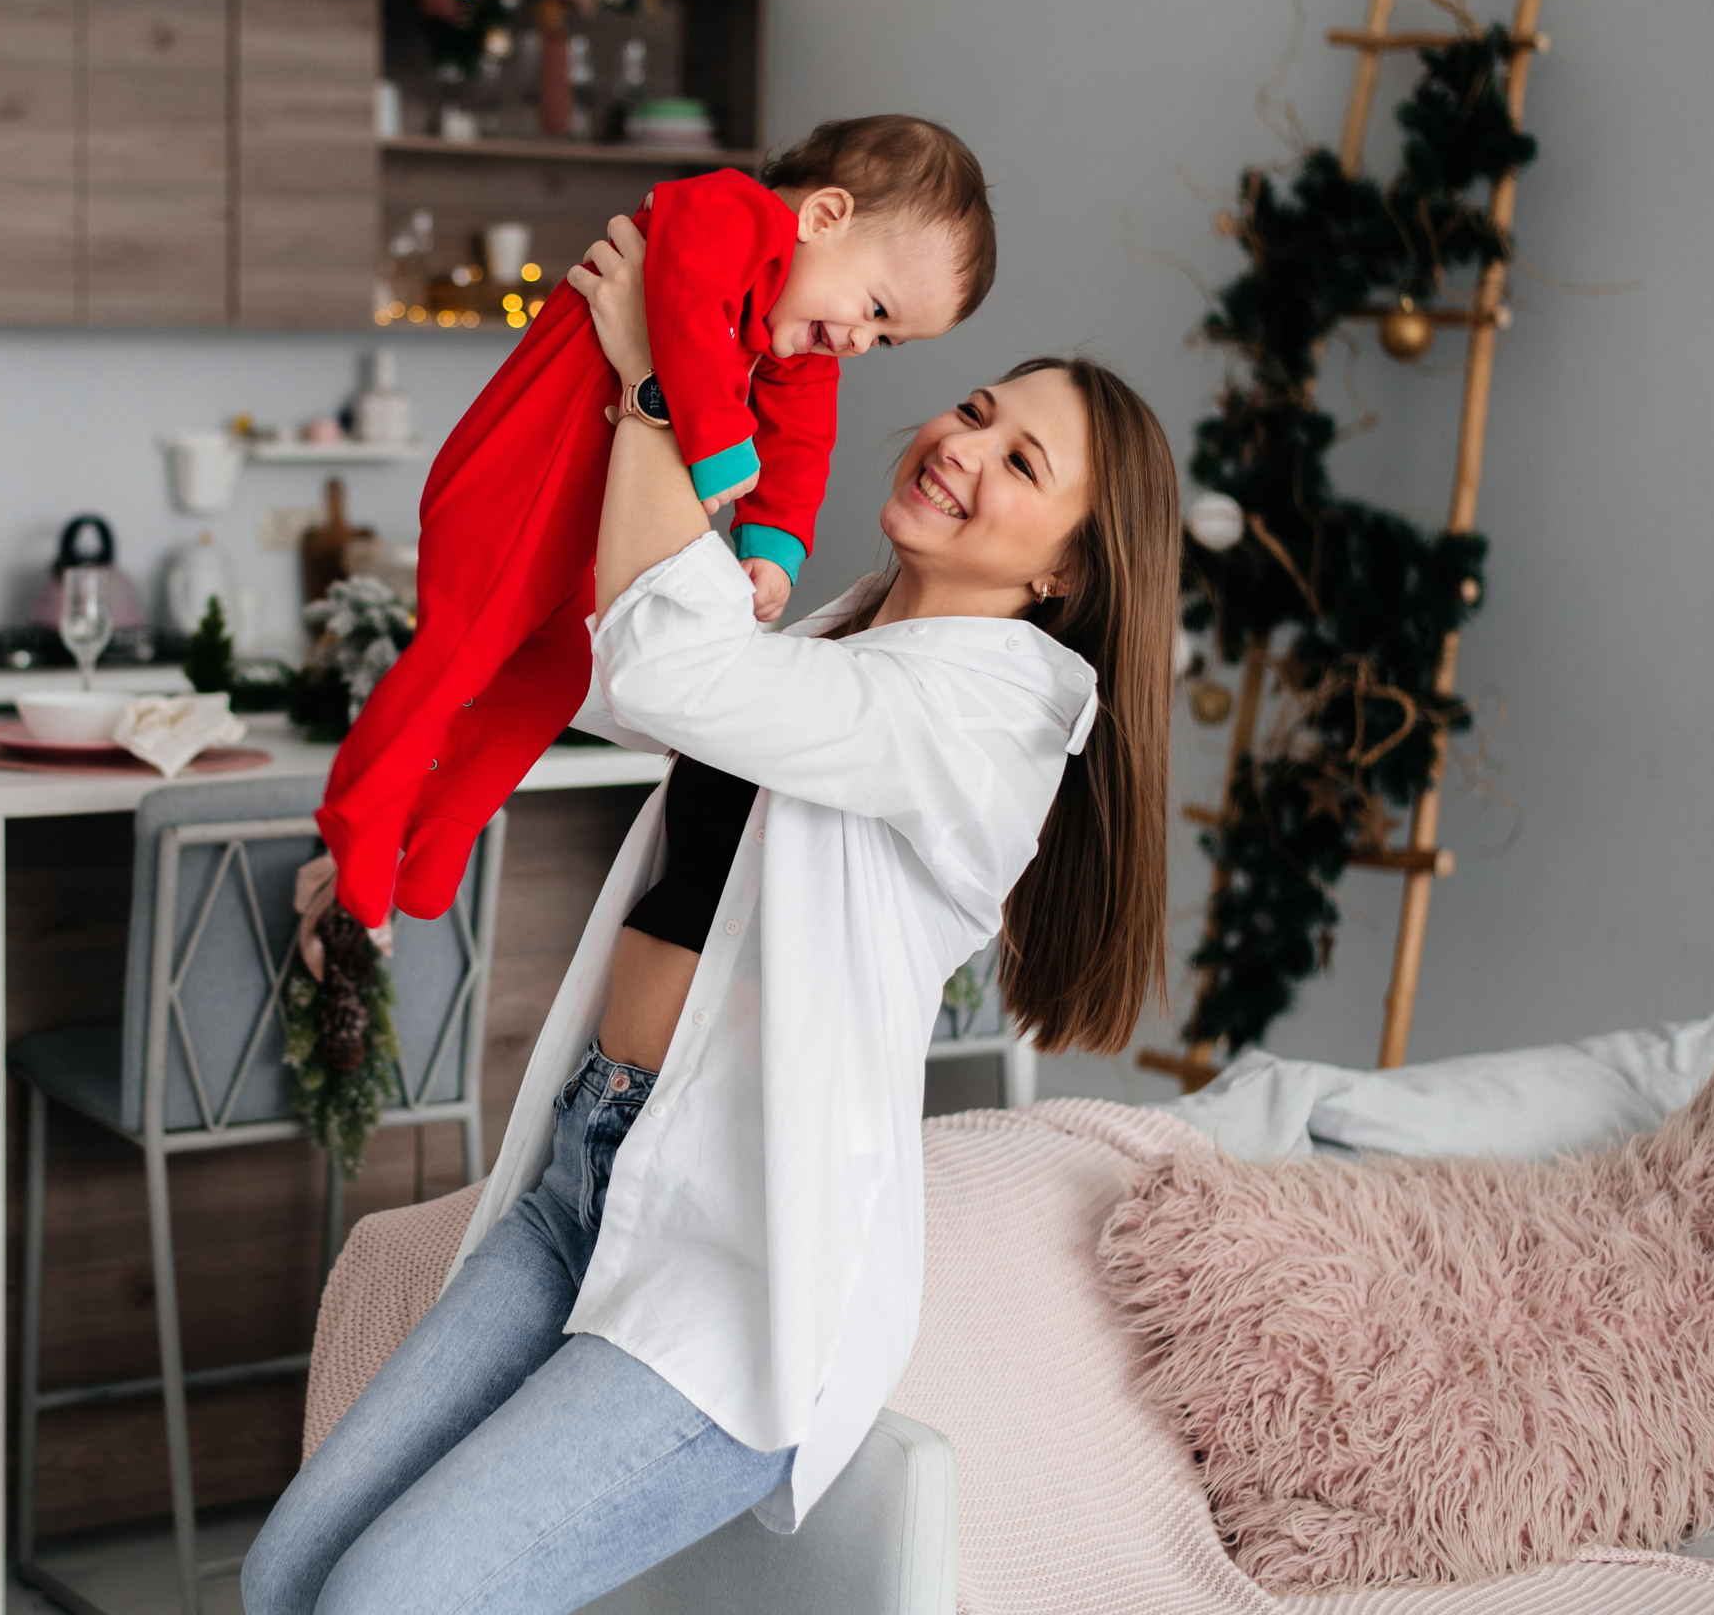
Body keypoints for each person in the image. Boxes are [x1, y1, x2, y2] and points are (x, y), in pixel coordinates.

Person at [243, 214, 1180, 1615]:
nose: (961, 447)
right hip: (587, 1178)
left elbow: (674, 670)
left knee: (382, 1601)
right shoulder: (835, 636)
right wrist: (365, 851)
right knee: (289, 1576)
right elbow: (622, 672)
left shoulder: (992, 710)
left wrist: (653, 384)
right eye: (976, 410)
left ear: (1069, 575)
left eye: (1020, 461)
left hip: (731, 1287)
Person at [317, 117, 996, 931]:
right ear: (821, 217)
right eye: (875, 307)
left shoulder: (790, 337)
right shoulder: (731, 214)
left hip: (579, 529)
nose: (859, 341)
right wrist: (714, 440)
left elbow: (805, 436)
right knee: (457, 658)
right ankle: (361, 813)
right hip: (514, 483)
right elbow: (680, 302)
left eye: (885, 340)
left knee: (555, 672)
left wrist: (774, 546)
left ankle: (446, 823)